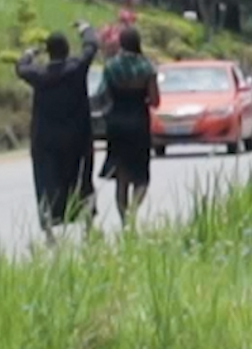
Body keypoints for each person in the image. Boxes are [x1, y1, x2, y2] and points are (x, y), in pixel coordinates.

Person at [18, 27, 101, 237]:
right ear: (66, 50)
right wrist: (86, 30)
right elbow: (91, 48)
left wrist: (29, 54)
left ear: (49, 52)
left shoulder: (39, 75)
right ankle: (88, 227)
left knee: (47, 182)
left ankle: (49, 231)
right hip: (77, 138)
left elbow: (20, 68)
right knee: (81, 180)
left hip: (46, 141)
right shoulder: (76, 69)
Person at [99, 25, 158, 226]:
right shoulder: (146, 67)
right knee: (141, 176)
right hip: (139, 122)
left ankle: (124, 220)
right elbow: (155, 100)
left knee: (121, 177)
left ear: (121, 43)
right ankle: (133, 211)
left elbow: (103, 96)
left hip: (116, 122)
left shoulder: (110, 66)